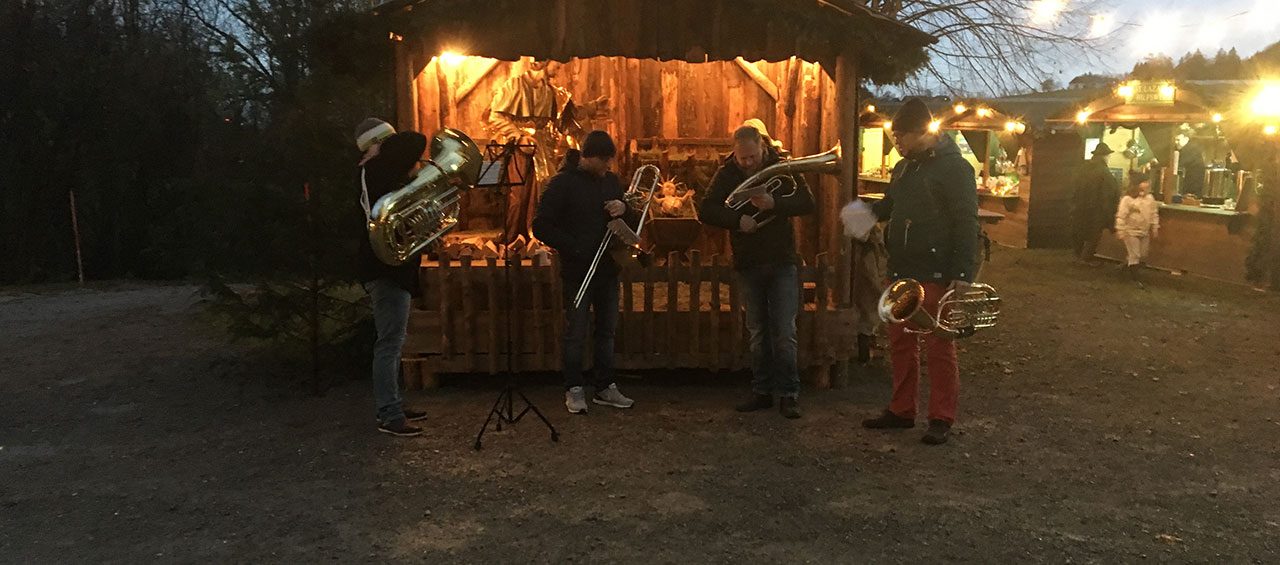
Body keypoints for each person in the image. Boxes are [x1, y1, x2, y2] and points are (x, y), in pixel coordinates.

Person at [859, 98, 979, 445]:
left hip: (936, 270)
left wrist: (961, 271)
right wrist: (859, 212)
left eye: (901, 135)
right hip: (902, 270)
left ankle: (941, 416)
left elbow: (965, 220)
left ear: (920, 132)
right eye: (894, 135)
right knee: (901, 343)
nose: (896, 141)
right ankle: (901, 410)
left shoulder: (954, 169)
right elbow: (891, 204)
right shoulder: (904, 168)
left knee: (939, 345)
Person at [699, 125, 815, 419]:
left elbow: (807, 202)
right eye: (742, 159)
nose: (747, 164)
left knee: (785, 331)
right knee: (757, 331)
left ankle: (789, 394)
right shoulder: (727, 172)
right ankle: (762, 391)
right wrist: (738, 221)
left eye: (751, 158)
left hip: (781, 260)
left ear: (762, 148)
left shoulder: (783, 168)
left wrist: (775, 203)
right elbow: (708, 209)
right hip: (748, 262)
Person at [532, 130, 637, 415]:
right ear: (587, 157)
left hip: (608, 267)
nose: (608, 167)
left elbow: (632, 219)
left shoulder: (611, 182)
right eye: (603, 160)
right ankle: (574, 388)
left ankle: (605, 386)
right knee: (575, 332)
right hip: (578, 269)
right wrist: (574, 247)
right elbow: (540, 225)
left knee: (607, 331)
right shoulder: (562, 184)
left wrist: (624, 207)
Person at [354, 118, 430, 437]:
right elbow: (416, 139)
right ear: (380, 144)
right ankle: (389, 414)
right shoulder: (374, 170)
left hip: (391, 268)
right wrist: (382, 146)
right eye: (388, 142)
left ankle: (393, 403)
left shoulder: (381, 173)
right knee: (389, 343)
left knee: (394, 340)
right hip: (385, 270)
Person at [487, 59, 608, 242]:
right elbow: (496, 116)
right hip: (520, 149)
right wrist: (518, 137)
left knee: (545, 191)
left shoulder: (553, 92)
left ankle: (540, 237)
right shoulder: (515, 85)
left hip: (544, 147)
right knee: (520, 196)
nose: (560, 67)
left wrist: (593, 107)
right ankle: (516, 237)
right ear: (543, 61)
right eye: (557, 63)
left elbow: (570, 117)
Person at [1072, 142, 1120, 264]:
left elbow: (1075, 188)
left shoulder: (1083, 169)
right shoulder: (1104, 173)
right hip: (1096, 210)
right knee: (1093, 234)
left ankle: (1078, 255)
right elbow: (1109, 194)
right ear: (1104, 156)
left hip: (1080, 207)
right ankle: (1085, 258)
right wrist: (1109, 214)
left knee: (1081, 231)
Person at [1115, 175, 1160, 283]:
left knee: (1143, 253)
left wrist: (1154, 227)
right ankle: (1135, 277)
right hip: (1130, 231)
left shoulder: (1150, 198)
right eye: (1145, 182)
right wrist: (1120, 229)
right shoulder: (1127, 199)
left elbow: (1154, 213)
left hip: (1144, 231)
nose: (1147, 184)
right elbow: (1121, 215)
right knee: (1135, 254)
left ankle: (1125, 267)